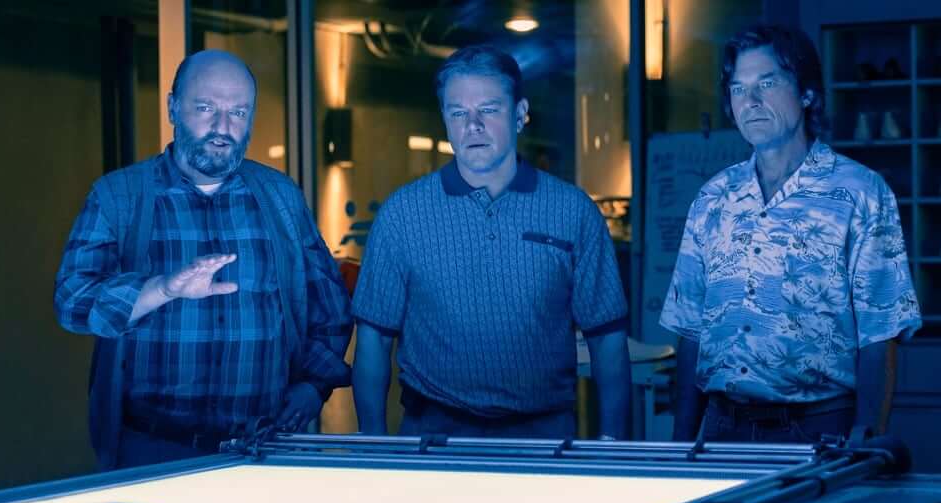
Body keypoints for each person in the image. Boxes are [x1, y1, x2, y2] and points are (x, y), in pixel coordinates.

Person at [55, 50, 352, 469]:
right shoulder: (118, 195)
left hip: (264, 448)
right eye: (206, 108)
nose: (222, 128)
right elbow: (72, 302)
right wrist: (162, 288)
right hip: (152, 449)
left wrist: (314, 385)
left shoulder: (280, 196)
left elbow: (330, 307)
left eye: (238, 112)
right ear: (173, 108)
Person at [351, 45, 631, 439]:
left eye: (489, 109)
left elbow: (607, 339)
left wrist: (612, 445)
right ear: (445, 119)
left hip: (544, 436)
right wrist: (373, 444)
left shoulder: (572, 211)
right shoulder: (402, 215)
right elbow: (374, 339)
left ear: (520, 114)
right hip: (433, 435)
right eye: (458, 112)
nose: (473, 125)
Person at [660, 25, 922, 443]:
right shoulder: (712, 198)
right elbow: (690, 329)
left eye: (767, 83)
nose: (751, 101)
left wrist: (865, 442)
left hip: (820, 427)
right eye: (738, 88)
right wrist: (681, 446)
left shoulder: (861, 193)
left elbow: (879, 335)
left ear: (807, 94)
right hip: (722, 428)